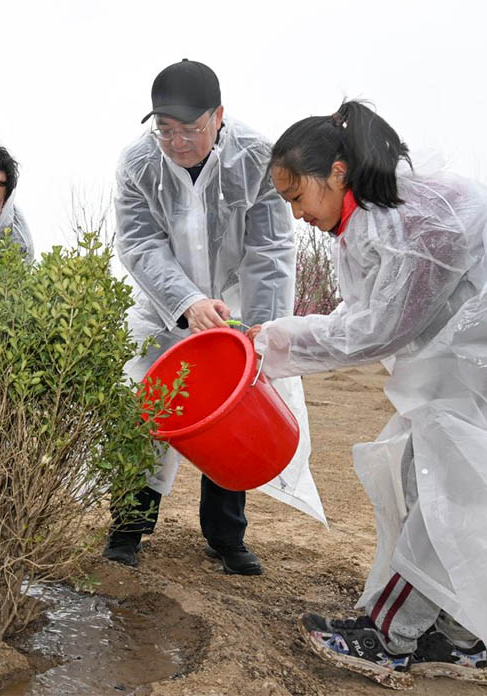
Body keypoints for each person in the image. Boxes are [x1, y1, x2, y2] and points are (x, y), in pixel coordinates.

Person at [247, 100, 487, 693]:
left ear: (336, 172)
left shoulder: (409, 220)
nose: (295, 214)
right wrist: (273, 339)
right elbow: (367, 315)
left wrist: (270, 342)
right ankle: (463, 638)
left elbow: (374, 330)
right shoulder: (373, 219)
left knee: (450, 489)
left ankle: (390, 635)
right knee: (442, 480)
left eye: (296, 196)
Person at [105, 59, 325, 576]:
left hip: (236, 306)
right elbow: (139, 243)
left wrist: (261, 330)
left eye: (190, 129)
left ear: (218, 116)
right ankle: (128, 528)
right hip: (164, 310)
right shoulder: (138, 163)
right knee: (146, 406)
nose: (177, 142)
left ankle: (226, 536)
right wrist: (186, 301)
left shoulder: (255, 156)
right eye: (165, 130)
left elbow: (270, 250)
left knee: (234, 411)